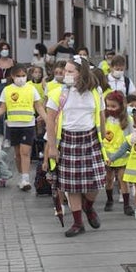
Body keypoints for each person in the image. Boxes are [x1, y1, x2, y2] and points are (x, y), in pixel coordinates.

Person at [44, 55, 107, 237]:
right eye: (65, 71)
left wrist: (103, 139)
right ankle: (78, 222)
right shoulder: (58, 93)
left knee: (97, 181)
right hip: (68, 140)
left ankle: (88, 206)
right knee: (72, 186)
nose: (66, 74)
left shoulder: (95, 92)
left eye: (70, 71)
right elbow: (50, 120)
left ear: (82, 73)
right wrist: (52, 147)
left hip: (91, 140)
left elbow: (101, 116)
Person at [0, 63, 43, 191]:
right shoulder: (7, 90)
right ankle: (21, 176)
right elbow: (2, 108)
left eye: (23, 75)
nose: (21, 78)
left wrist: (48, 119)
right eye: (18, 76)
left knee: (25, 152)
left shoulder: (31, 89)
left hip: (28, 124)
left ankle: (26, 180)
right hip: (13, 126)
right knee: (17, 154)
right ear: (12, 76)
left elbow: (38, 106)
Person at [101, 91, 134, 215]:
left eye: (113, 106)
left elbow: (131, 136)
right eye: (108, 106)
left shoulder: (128, 120)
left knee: (123, 179)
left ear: (121, 106)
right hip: (107, 154)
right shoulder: (104, 119)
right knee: (109, 179)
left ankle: (127, 204)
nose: (110, 109)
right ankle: (109, 200)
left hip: (122, 154)